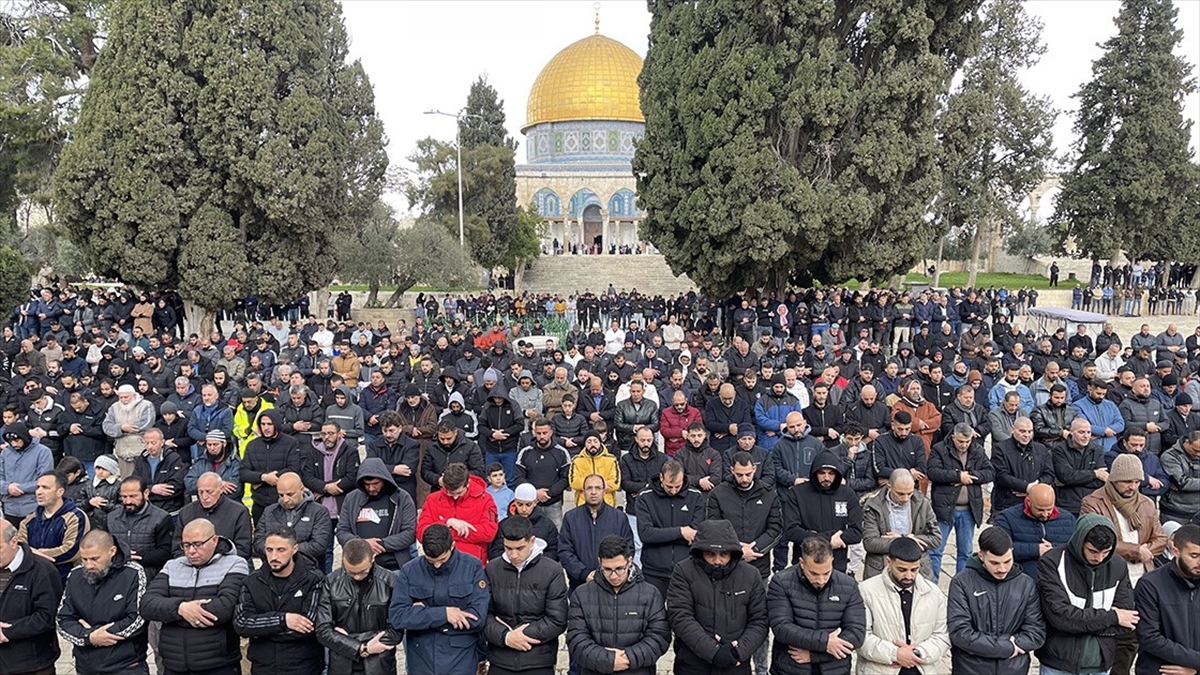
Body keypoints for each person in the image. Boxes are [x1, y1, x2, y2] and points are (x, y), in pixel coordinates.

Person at [140, 518, 250, 675]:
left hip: (218, 664)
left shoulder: (234, 564)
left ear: (214, 540)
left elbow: (225, 608)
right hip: (174, 664)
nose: (191, 551)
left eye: (198, 544)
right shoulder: (173, 566)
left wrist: (171, 615)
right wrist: (181, 609)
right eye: (186, 545)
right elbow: (147, 605)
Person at [1035, 515, 1137, 675]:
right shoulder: (1052, 562)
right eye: (1093, 551)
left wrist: (1079, 623)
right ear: (1079, 541)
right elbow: (1060, 618)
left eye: (1106, 552)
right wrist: (1112, 617)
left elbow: (1126, 619)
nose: (1099, 558)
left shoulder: (1118, 565)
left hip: (1102, 664)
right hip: (1059, 665)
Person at [666, 519, 769, 675]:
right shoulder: (683, 571)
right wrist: (713, 651)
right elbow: (680, 617)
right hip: (694, 664)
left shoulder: (750, 574)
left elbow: (760, 620)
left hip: (736, 665)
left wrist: (739, 651)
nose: (717, 560)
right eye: (710, 554)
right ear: (700, 552)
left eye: (724, 554)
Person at [389, 524, 490, 675]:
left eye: (442, 559)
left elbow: (477, 618)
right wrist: (444, 614)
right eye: (431, 561)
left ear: (452, 546)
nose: (437, 565)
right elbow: (398, 617)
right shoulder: (410, 570)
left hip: (460, 656)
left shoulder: (472, 567)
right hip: (422, 657)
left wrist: (422, 615)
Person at [566, 534, 670, 675]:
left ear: (630, 561)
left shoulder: (650, 594)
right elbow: (576, 640)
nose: (613, 576)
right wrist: (608, 661)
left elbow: (659, 638)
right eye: (607, 570)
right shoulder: (581, 594)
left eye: (619, 569)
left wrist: (628, 658)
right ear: (599, 562)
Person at [946, 526, 1045, 675]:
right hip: (970, 669)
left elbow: (1036, 632)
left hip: (1014, 669)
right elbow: (960, 632)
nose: (1002, 569)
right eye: (994, 563)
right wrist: (1007, 647)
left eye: (1007, 561)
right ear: (981, 556)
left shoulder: (1026, 584)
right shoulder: (961, 582)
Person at [766, 535, 865, 675]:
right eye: (813, 573)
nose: (821, 580)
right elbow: (781, 627)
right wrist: (825, 642)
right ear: (801, 563)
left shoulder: (848, 585)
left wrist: (815, 655)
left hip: (835, 669)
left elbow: (857, 634)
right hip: (791, 668)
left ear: (832, 561)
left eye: (826, 573)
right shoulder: (781, 582)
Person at [234, 526, 326, 675]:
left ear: (294, 549)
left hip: (304, 666)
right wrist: (284, 620)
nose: (274, 556)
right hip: (263, 667)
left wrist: (261, 629)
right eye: (269, 550)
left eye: (281, 550)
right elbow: (242, 623)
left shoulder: (313, 579)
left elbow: (309, 625)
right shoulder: (251, 582)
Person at [484, 515, 569, 675]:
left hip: (538, 660)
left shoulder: (552, 571)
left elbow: (558, 620)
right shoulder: (492, 569)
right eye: (508, 548)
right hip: (500, 659)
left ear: (532, 541)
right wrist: (506, 637)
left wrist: (520, 636)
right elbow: (484, 615)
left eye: (519, 548)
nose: (513, 555)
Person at [56, 529, 149, 675]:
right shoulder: (75, 575)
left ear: (112, 551)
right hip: (86, 665)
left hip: (126, 665)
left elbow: (137, 619)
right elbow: (63, 619)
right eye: (84, 559)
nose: (88, 565)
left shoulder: (133, 573)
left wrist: (100, 635)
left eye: (94, 559)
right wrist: (89, 636)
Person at [857, 537, 951, 675]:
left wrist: (918, 653)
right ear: (888, 562)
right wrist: (895, 654)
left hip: (921, 669)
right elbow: (861, 636)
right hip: (881, 669)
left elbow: (942, 635)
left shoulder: (934, 593)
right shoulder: (866, 591)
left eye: (914, 570)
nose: (909, 576)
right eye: (902, 569)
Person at [314, 538, 399, 675]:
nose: (357, 577)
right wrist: (363, 648)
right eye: (351, 572)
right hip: (342, 666)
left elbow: (396, 630)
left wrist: (346, 639)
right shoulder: (331, 582)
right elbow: (322, 630)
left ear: (372, 559)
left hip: (380, 666)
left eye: (363, 571)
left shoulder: (390, 581)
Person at [927, 422, 994, 580]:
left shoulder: (977, 450)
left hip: (969, 509)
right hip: (944, 508)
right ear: (953, 437)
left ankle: (961, 585)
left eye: (967, 441)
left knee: (966, 552)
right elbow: (933, 472)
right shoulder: (940, 449)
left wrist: (969, 476)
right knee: (935, 551)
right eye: (960, 441)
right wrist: (957, 476)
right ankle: (932, 584)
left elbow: (990, 472)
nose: (964, 445)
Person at [1134, 523, 1200, 675]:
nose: (1199, 562)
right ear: (1175, 551)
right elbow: (1149, 637)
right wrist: (1195, 662)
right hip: (1161, 671)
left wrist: (1195, 668)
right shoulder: (1150, 585)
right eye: (1194, 555)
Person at [782, 449, 863, 572]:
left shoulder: (847, 494)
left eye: (831, 473)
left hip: (836, 565)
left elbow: (856, 532)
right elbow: (791, 531)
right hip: (805, 563)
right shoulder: (797, 493)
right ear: (814, 473)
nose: (826, 478)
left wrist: (814, 536)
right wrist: (829, 540)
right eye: (822, 473)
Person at [635, 460, 705, 600]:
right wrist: (681, 532)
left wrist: (662, 534)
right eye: (669, 486)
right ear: (661, 478)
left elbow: (695, 535)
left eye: (677, 486)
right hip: (654, 571)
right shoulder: (645, 497)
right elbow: (646, 534)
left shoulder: (696, 496)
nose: (673, 491)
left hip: (686, 570)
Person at [0, 519, 63, 675]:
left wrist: (8, 632)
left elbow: (47, 617)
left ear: (13, 542)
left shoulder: (42, 571)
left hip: (31, 664)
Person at [336, 457, 417, 572]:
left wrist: (381, 544)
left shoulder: (402, 498)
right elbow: (342, 531)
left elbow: (410, 533)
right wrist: (363, 545)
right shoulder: (351, 499)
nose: (371, 488)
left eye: (375, 483)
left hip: (394, 566)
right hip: (358, 568)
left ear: (384, 479)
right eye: (367, 484)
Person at [860, 469, 941, 580]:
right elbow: (870, 543)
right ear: (889, 487)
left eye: (910, 493)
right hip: (881, 568)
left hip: (917, 569)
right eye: (900, 494)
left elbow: (936, 539)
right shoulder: (873, 505)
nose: (905, 498)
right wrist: (907, 540)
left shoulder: (922, 503)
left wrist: (902, 539)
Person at [559, 474, 634, 589]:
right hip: (580, 585)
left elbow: (628, 549)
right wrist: (584, 573)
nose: (593, 492)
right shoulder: (571, 518)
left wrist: (611, 572)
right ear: (583, 492)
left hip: (612, 585)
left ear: (604, 491)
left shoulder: (619, 518)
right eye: (589, 488)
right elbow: (565, 551)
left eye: (598, 488)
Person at [417, 462, 498, 564]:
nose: (455, 497)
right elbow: (421, 534)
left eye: (459, 493)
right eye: (450, 493)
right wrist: (448, 522)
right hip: (439, 563)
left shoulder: (485, 499)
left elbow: (488, 533)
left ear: (468, 483)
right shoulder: (432, 499)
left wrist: (447, 532)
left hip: (471, 564)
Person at [19, 470, 90, 583]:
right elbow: (20, 546)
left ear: (60, 492)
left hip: (64, 578)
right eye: (37, 487)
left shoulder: (76, 516)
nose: (39, 492)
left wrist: (34, 554)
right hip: (33, 578)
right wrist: (33, 553)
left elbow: (71, 551)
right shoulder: (29, 520)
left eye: (45, 487)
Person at [994, 483, 1077, 581]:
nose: (1045, 514)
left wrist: (1054, 549)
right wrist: (1035, 549)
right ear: (1028, 502)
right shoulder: (1007, 518)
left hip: (1058, 580)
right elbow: (999, 548)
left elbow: (1075, 548)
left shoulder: (1069, 519)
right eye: (1040, 510)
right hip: (1021, 579)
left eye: (1049, 509)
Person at [253, 472, 333, 566]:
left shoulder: (319, 512)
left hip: (309, 570)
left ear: (302, 489)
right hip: (274, 571)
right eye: (281, 495)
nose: (285, 500)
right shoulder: (269, 511)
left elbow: (319, 545)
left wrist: (284, 550)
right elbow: (258, 542)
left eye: (290, 494)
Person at [240, 409, 302, 524]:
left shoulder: (291, 443)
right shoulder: (252, 445)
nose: (266, 428)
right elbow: (244, 472)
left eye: (269, 424)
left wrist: (273, 478)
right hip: (259, 502)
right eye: (263, 424)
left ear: (276, 424)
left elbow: (293, 469)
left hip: (282, 502)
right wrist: (263, 477)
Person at [108, 476, 174, 579]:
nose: (128, 501)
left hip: (149, 575)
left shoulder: (162, 518)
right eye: (124, 497)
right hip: (116, 575)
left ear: (146, 493)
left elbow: (166, 551)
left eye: (133, 496)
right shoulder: (111, 518)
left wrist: (138, 558)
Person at [175, 472, 252, 559]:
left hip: (227, 566)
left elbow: (243, 549)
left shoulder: (239, 512)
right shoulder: (186, 512)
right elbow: (177, 548)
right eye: (200, 492)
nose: (204, 497)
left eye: (209, 492)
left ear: (221, 489)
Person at [990, 416, 1055, 519]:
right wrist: (1025, 487)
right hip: (1007, 503)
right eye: (1022, 431)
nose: (1026, 435)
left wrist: (1034, 487)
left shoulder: (1041, 449)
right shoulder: (1000, 449)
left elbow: (1049, 474)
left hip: (1033, 505)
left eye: (1030, 432)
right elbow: (1001, 475)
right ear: (1013, 429)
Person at [513, 419, 571, 527]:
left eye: (545, 433)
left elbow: (565, 478)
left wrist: (549, 493)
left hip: (554, 503)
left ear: (551, 432)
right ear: (534, 432)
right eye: (538, 433)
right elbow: (518, 477)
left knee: (555, 533)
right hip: (530, 504)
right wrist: (534, 493)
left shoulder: (562, 452)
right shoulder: (525, 452)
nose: (542, 436)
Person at [1, 421, 53, 528]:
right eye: (10, 441)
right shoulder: (5, 453)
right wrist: (8, 487)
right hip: (9, 508)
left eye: (16, 440)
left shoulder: (43, 452)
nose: (14, 444)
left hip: (33, 507)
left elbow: (45, 480)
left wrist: (19, 488)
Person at [1054, 418, 1108, 516]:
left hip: (1092, 504)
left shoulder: (1097, 450)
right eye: (1081, 432)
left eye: (1088, 432)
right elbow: (1066, 476)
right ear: (1071, 432)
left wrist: (1071, 482)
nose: (1086, 436)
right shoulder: (1060, 450)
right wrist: (1094, 473)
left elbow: (1101, 481)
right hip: (1067, 504)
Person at [131, 428, 188, 516]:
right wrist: (152, 489)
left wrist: (147, 493)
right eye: (147, 443)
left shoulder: (174, 458)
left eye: (153, 443)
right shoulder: (140, 460)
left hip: (170, 510)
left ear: (162, 442)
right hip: (147, 509)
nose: (149, 446)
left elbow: (175, 487)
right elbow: (135, 485)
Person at [102, 384, 156, 477]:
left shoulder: (146, 405)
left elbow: (146, 424)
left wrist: (127, 429)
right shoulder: (114, 407)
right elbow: (106, 426)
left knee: (143, 479)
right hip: (122, 452)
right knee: (126, 480)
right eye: (120, 397)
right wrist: (121, 428)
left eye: (126, 397)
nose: (123, 400)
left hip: (141, 451)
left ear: (134, 395)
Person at [184, 430, 241, 500]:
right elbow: (189, 483)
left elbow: (235, 489)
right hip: (204, 505)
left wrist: (204, 488)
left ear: (224, 444)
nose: (212, 448)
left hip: (229, 506)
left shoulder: (235, 463)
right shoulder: (201, 462)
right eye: (209, 445)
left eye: (215, 444)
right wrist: (219, 484)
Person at [568, 430, 620, 506]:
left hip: (607, 504)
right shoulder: (577, 460)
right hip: (583, 504)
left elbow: (615, 483)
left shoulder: (611, 459)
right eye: (589, 442)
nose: (592, 444)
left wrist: (589, 486)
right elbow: (574, 483)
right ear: (585, 444)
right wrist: (599, 484)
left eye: (595, 441)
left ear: (600, 442)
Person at [1159, 430, 1200, 524]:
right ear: (1187, 442)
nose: (1199, 454)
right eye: (1196, 450)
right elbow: (1182, 482)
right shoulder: (1169, 456)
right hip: (1175, 511)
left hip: (1198, 512)